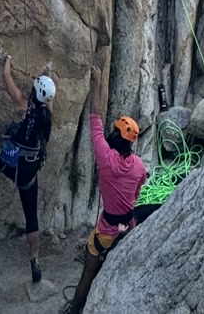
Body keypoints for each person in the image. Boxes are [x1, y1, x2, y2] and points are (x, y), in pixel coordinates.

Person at [66, 65, 147, 314]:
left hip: (107, 230)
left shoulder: (106, 159)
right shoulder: (139, 166)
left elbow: (95, 117)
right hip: (128, 227)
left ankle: (75, 310)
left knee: (89, 269)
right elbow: (135, 196)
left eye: (115, 131)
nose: (110, 133)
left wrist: (98, 81)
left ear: (117, 136)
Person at [0, 54, 55, 284]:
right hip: (28, 173)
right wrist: (47, 74)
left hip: (11, 165)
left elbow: (5, 76)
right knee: (31, 217)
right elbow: (48, 98)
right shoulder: (47, 116)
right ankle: (35, 258)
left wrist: (9, 59)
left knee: (7, 134)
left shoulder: (22, 104)